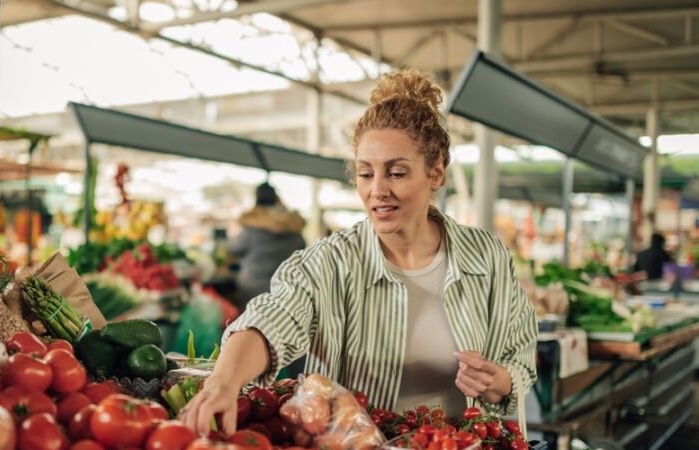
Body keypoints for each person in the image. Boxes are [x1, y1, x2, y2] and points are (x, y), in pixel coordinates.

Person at [181, 69, 538, 436]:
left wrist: (502, 382)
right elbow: (272, 319)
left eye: (396, 173)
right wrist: (223, 382)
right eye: (366, 174)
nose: (378, 190)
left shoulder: (487, 258)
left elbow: (521, 358)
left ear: (436, 173)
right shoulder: (330, 263)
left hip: (461, 443)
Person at [226, 182, 306, 310]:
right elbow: (302, 252)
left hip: (252, 287)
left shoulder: (254, 223)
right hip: (284, 288)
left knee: (249, 324)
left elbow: (233, 248)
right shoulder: (292, 223)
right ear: (276, 198)